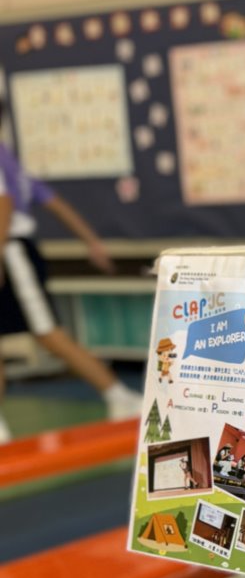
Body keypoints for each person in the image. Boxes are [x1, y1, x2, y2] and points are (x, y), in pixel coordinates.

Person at [0, 99, 141, 442]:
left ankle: (121, 396)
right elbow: (54, 201)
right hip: (11, 249)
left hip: (12, 252)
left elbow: (4, 204)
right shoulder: (9, 158)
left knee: (48, 332)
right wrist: (91, 241)